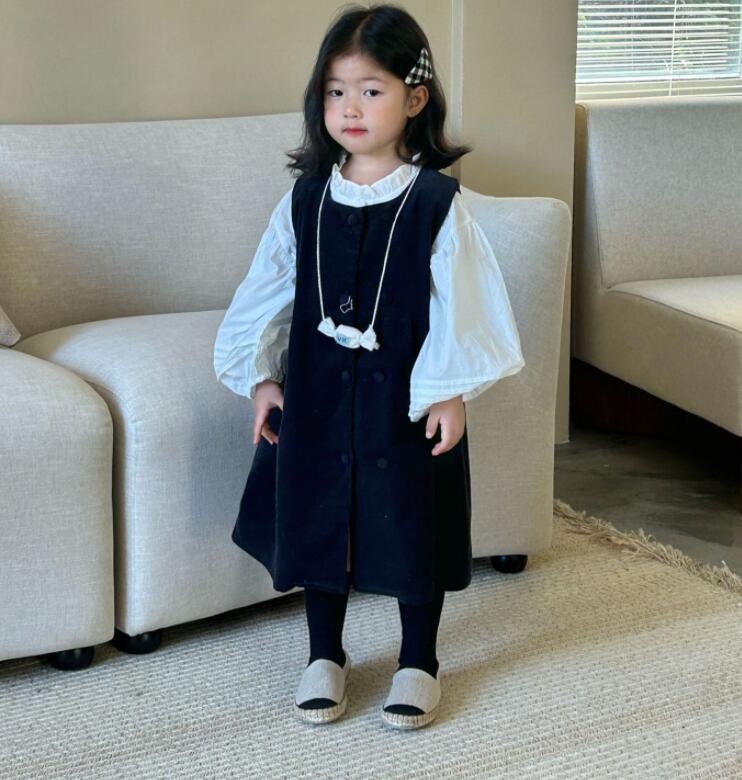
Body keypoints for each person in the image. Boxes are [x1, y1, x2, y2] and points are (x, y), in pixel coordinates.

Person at [213, 3, 525, 730]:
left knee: (414, 519)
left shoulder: (437, 203)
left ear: (414, 99)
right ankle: (324, 652)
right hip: (318, 395)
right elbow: (267, 291)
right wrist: (262, 378)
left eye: (370, 90)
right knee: (319, 515)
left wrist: (449, 391)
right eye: (335, 91)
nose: (349, 108)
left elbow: (464, 304)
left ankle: (419, 659)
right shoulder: (306, 199)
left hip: (404, 400)